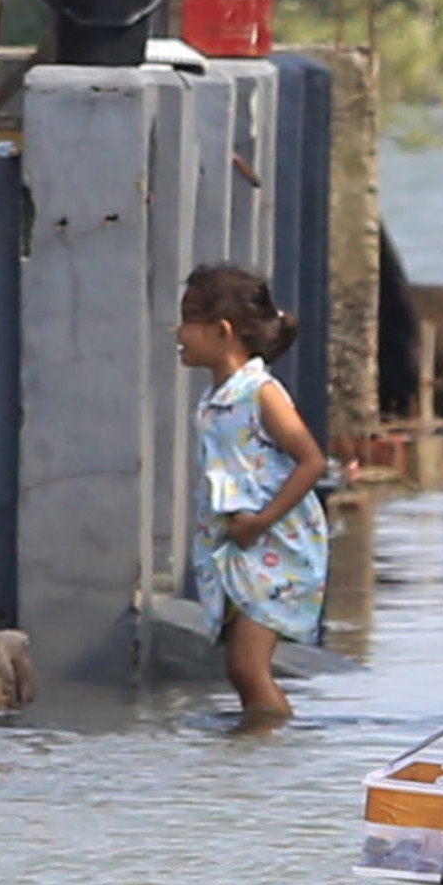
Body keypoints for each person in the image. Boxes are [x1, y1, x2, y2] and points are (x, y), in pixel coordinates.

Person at [177, 264, 330, 727]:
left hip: (274, 547)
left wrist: (262, 521)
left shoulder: (261, 393)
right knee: (240, 671)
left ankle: (270, 753)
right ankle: (254, 758)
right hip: (240, 550)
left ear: (222, 332)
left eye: (187, 320)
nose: (178, 332)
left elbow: (311, 461)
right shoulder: (218, 396)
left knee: (249, 669)